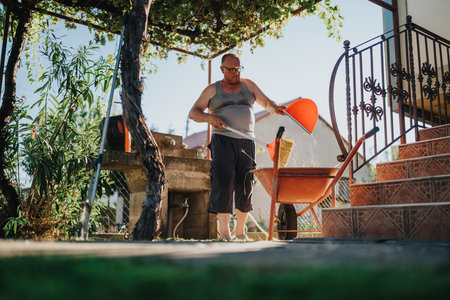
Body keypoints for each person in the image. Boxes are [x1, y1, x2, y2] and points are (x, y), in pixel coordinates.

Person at [189, 53, 285, 241]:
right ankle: (224, 234)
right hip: (222, 140)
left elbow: (266, 102)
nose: (236, 72)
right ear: (222, 69)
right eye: (232, 69)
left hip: (247, 140)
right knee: (224, 183)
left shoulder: (248, 85)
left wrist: (275, 107)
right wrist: (210, 118)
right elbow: (193, 113)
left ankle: (240, 233)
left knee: (245, 185)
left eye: (239, 68)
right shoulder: (212, 90)